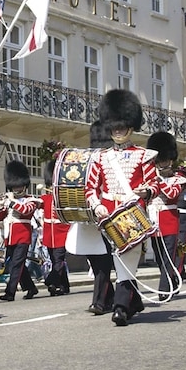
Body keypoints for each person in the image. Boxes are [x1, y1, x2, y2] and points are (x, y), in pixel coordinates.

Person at [84, 89, 162, 327]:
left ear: (130, 126)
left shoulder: (144, 156)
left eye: (122, 127)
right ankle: (134, 302)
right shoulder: (100, 157)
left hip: (132, 216)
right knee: (117, 263)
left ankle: (120, 308)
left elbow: (155, 184)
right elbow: (91, 188)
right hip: (107, 217)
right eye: (114, 127)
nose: (118, 131)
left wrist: (146, 192)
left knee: (126, 263)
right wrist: (97, 205)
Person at [67, 120, 115, 316]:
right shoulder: (86, 160)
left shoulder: (113, 160)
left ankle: (99, 302)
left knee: (103, 261)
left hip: (108, 216)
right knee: (96, 262)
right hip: (86, 218)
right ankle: (110, 298)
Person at [146, 131, 186, 296]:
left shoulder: (179, 179)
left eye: (164, 161)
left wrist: (159, 181)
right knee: (159, 257)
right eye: (159, 161)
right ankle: (172, 280)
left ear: (171, 160)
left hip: (169, 221)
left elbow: (172, 194)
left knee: (168, 257)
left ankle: (164, 290)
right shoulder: (151, 178)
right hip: (153, 221)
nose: (162, 164)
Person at [0, 160, 42, 302]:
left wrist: (10, 202)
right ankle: (31, 287)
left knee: (16, 265)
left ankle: (10, 292)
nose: (17, 188)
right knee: (13, 264)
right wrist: (0, 206)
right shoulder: (9, 199)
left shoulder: (31, 200)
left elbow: (26, 211)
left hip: (23, 236)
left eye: (19, 186)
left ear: (25, 185)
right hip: (10, 236)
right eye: (14, 186)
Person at [41, 158, 71, 296]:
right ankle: (64, 286)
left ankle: (51, 281)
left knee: (58, 260)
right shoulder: (45, 198)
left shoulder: (65, 198)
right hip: (49, 235)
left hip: (62, 233)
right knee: (55, 261)